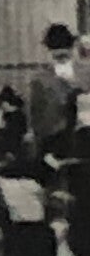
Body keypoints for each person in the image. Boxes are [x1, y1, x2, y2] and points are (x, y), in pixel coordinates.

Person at [29, 24, 81, 161]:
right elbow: (36, 115)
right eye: (57, 54)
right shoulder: (40, 79)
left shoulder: (84, 74)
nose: (61, 58)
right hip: (54, 141)